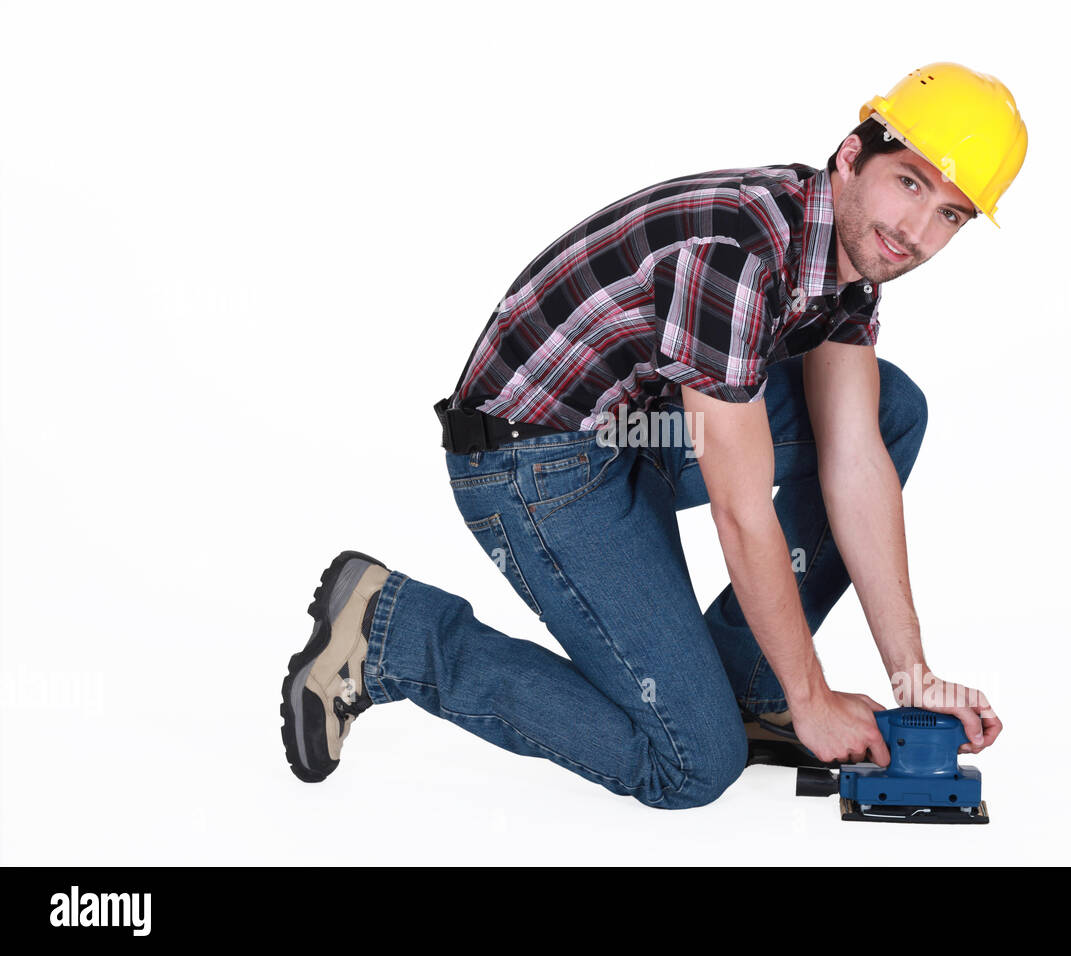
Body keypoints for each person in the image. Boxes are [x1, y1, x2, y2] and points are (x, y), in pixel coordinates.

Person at [280, 61, 1028, 809]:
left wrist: (914, 679)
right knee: (692, 767)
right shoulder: (741, 254)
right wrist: (815, 697)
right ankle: (392, 632)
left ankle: (745, 690)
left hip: (638, 425)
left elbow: (856, 457)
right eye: (911, 183)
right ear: (852, 155)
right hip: (536, 462)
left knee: (886, 409)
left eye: (950, 215)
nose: (915, 232)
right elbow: (742, 512)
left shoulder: (850, 263)